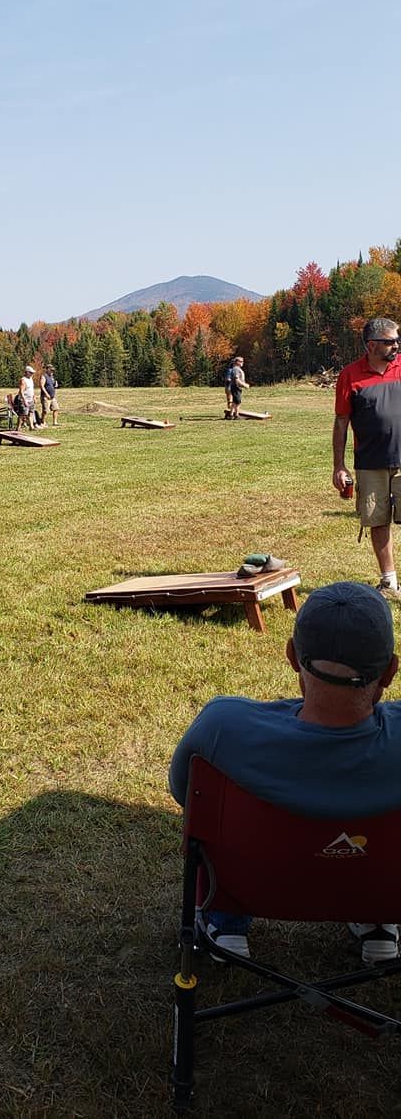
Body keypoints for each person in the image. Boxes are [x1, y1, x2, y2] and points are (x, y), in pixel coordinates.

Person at [169, 581, 401, 964]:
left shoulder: (221, 727)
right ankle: (378, 920)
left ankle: (224, 924)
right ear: (390, 671)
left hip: (252, 886)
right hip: (385, 888)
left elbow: (184, 794)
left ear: (292, 656)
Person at [333, 316, 401, 597]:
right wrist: (339, 466)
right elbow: (341, 422)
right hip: (370, 463)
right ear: (372, 345)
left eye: (398, 340)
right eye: (391, 342)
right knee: (377, 521)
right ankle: (389, 582)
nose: (397, 345)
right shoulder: (350, 375)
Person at [15, 365, 37, 431]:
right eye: (30, 372)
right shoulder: (23, 380)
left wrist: (34, 396)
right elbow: (21, 391)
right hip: (24, 400)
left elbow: (32, 389)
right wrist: (24, 401)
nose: (32, 374)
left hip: (31, 400)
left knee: (31, 413)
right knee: (22, 415)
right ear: (27, 372)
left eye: (32, 373)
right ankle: (18, 428)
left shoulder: (31, 379)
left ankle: (31, 427)